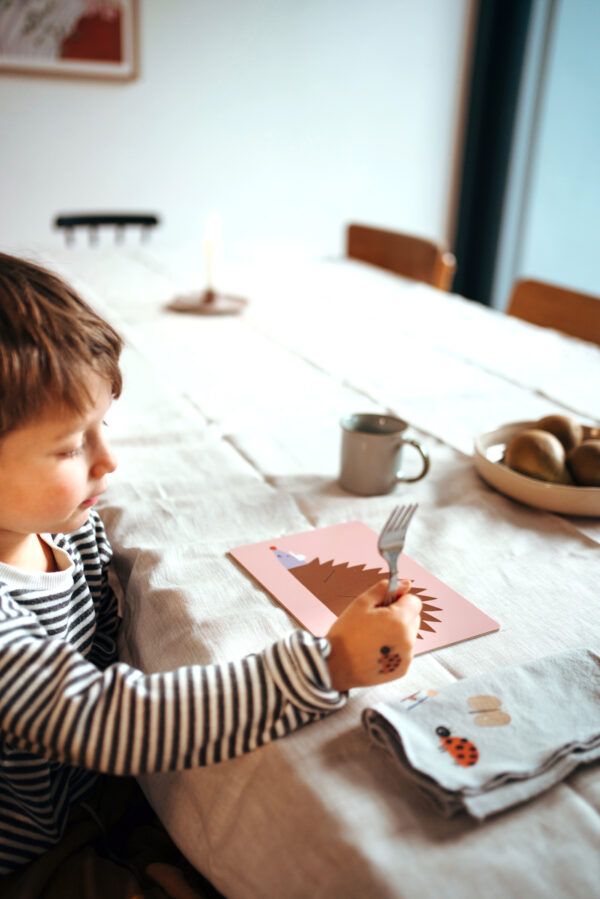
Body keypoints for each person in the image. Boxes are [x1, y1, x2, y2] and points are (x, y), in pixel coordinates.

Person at [0, 252, 422, 877]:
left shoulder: (58, 521)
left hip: (79, 802)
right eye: (69, 446)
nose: (109, 460)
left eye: (103, 425)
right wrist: (329, 664)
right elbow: (108, 718)